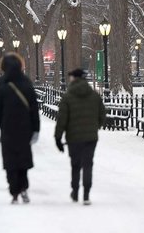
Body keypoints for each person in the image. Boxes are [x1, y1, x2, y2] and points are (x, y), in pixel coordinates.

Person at [0, 53, 40, 204]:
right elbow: (34, 108)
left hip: (8, 128)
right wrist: (36, 129)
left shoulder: (3, 85)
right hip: (25, 128)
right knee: (23, 159)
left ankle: (14, 190)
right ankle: (24, 186)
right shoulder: (27, 84)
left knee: (10, 160)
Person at [55, 68, 106, 205]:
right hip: (91, 138)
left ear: (74, 78)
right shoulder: (95, 96)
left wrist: (58, 137)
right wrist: (94, 127)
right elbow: (102, 116)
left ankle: (75, 191)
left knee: (75, 165)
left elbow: (62, 119)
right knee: (88, 164)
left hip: (73, 137)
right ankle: (86, 194)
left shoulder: (67, 97)